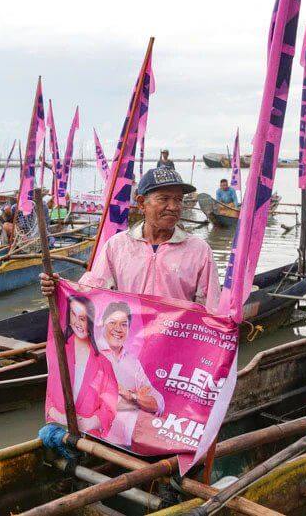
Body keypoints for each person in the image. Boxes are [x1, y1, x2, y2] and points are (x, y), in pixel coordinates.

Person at [41, 167, 220, 311]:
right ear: (141, 203)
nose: (173, 207)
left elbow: (211, 307)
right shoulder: (117, 245)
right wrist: (58, 288)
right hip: (129, 344)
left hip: (176, 347)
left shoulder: (199, 250)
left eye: (178, 199)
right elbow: (92, 291)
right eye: (164, 199)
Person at [45, 294, 118, 437]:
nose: (77, 323)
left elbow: (110, 405)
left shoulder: (104, 363)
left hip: (88, 436)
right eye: (74, 315)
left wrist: (89, 422)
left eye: (83, 318)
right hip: (57, 428)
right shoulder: (57, 348)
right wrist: (58, 415)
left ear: (91, 322)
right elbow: (49, 392)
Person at [98, 301, 164, 446]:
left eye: (123, 324)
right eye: (112, 323)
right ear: (102, 324)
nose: (118, 329)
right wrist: (138, 401)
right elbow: (97, 404)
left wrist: (131, 396)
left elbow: (158, 402)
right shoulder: (92, 355)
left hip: (134, 437)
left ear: (128, 329)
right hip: (102, 437)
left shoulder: (133, 362)